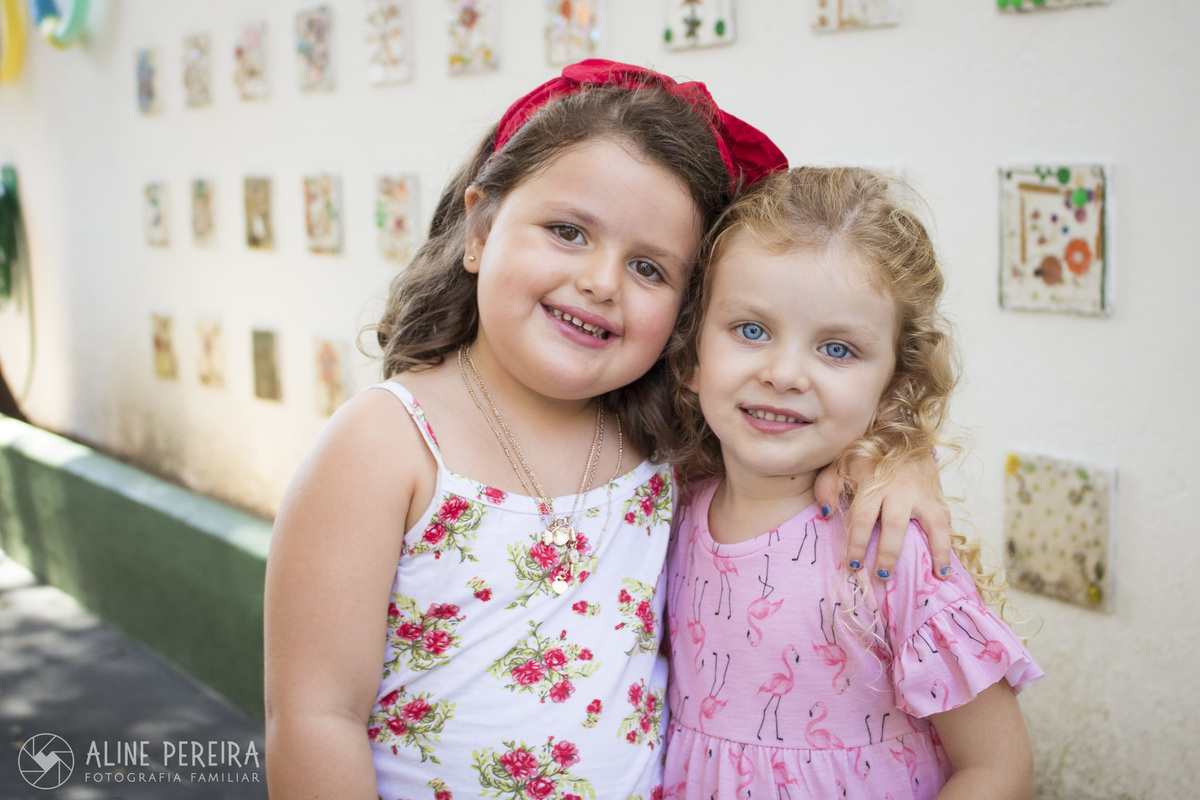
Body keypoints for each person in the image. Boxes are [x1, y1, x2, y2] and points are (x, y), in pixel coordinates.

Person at [264, 62, 952, 799]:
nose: (601, 281)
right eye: (568, 232)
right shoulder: (386, 443)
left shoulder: (668, 446)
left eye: (650, 269)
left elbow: (810, 443)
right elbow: (314, 717)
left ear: (688, 314)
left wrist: (899, 461)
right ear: (481, 229)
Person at [662, 167, 1044, 799]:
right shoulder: (669, 509)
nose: (785, 374)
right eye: (751, 330)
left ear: (891, 389)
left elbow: (998, 768)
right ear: (692, 354)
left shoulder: (889, 548)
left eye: (837, 349)